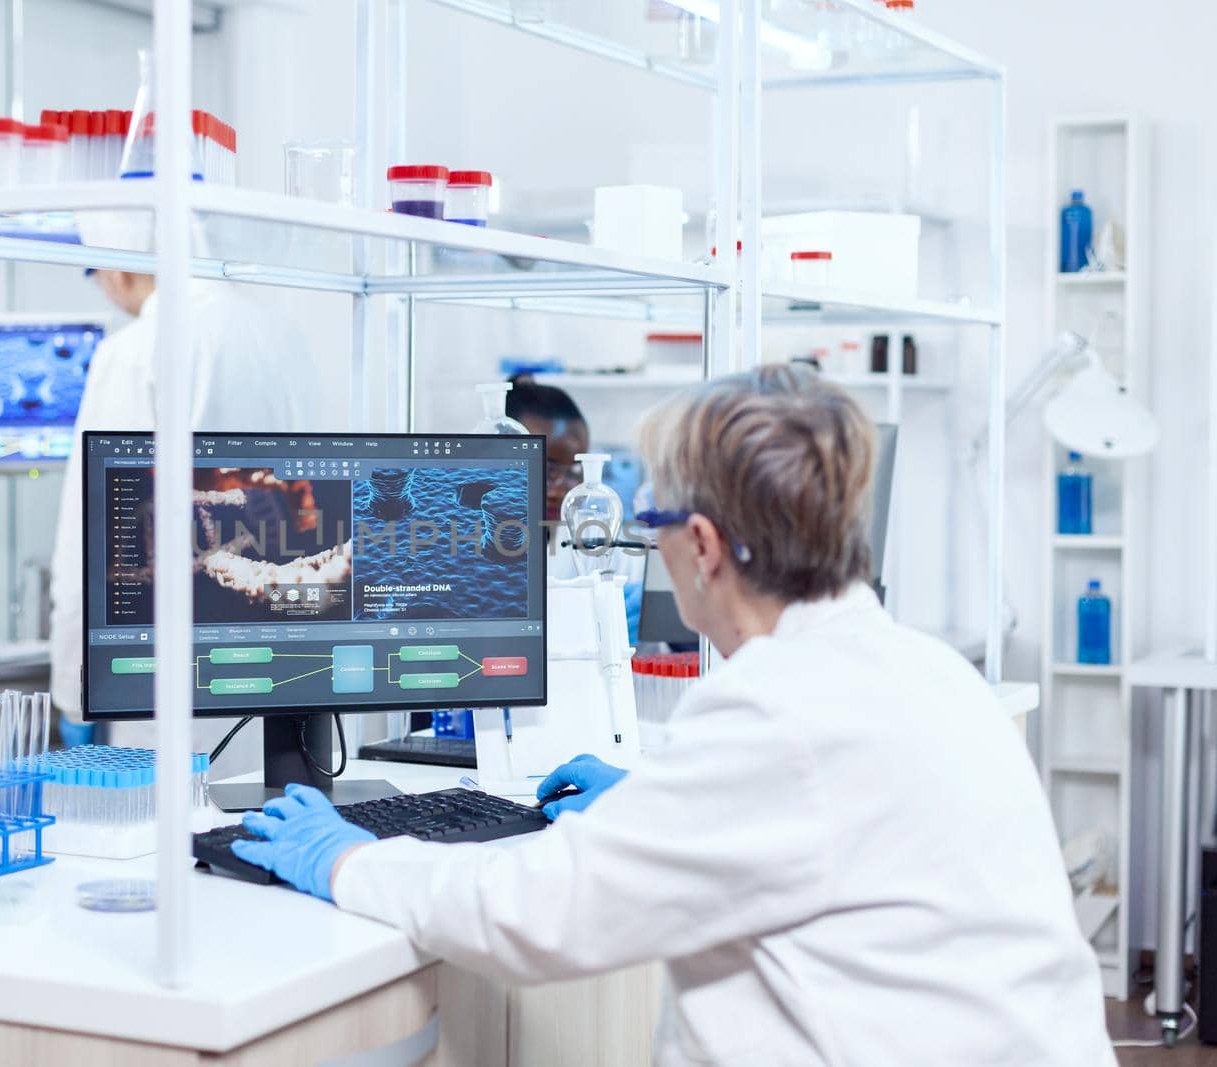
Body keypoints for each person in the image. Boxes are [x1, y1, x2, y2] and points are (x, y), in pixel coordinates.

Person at [230, 365, 1113, 1065]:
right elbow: (809, 834)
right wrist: (655, 799)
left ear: (701, 545)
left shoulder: (775, 710)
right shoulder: (926, 671)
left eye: (648, 517)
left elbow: (536, 914)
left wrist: (349, 857)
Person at [48, 270, 323, 754]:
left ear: (118, 268)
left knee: (179, 823)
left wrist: (74, 695)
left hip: (171, 687)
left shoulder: (135, 350)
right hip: (287, 671)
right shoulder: (285, 336)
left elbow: (93, 540)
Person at [505, 375, 643, 640]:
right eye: (545, 468)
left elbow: (650, 655)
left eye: (574, 470)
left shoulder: (598, 540)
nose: (559, 489)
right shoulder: (464, 539)